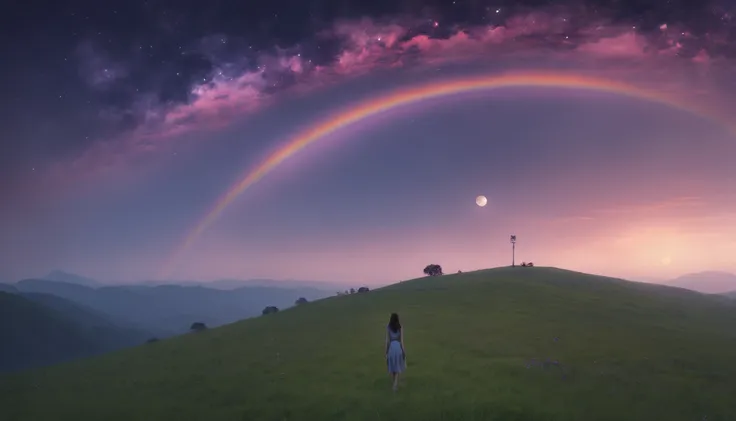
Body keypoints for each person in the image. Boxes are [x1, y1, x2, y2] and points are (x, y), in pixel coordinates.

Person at [385, 312, 406, 391]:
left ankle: (394, 383)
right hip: (398, 348)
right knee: (397, 366)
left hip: (391, 348)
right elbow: (401, 341)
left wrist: (386, 352)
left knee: (392, 366)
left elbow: (387, 341)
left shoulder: (388, 327)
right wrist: (403, 351)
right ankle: (395, 384)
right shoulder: (400, 327)